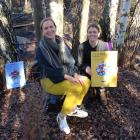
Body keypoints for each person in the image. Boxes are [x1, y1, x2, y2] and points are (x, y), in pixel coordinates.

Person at [35, 17, 90, 134]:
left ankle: (72, 108)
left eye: (51, 27)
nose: (49, 30)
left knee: (85, 81)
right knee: (75, 87)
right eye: (46, 28)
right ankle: (61, 116)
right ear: (42, 31)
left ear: (55, 27)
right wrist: (70, 77)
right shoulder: (41, 49)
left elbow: (70, 62)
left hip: (66, 74)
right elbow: (49, 71)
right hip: (49, 80)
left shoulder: (61, 43)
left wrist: (75, 74)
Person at [78, 23, 112, 105]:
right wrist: (86, 68)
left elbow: (110, 60)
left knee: (102, 76)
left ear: (99, 33)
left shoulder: (105, 45)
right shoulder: (82, 46)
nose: (92, 34)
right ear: (87, 33)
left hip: (101, 70)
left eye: (94, 32)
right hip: (88, 71)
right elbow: (79, 63)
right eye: (90, 32)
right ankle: (89, 91)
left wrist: (114, 67)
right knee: (86, 89)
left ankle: (101, 91)